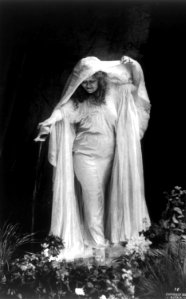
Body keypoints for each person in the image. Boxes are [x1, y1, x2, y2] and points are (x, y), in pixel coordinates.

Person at [35, 55, 151, 260]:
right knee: (94, 200)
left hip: (109, 158)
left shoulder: (115, 93)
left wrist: (134, 65)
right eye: (84, 82)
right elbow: (61, 112)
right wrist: (49, 122)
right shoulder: (78, 102)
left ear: (100, 79)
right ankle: (98, 247)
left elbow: (136, 86)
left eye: (91, 81)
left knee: (107, 200)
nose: (88, 85)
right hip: (84, 157)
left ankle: (98, 241)